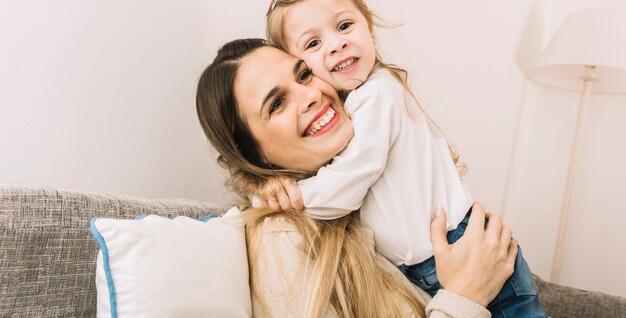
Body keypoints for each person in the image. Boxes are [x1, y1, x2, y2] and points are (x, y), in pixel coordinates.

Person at [259, 0, 547, 318]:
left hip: (459, 249)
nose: (337, 44)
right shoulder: (355, 106)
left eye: (345, 25)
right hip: (435, 262)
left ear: (371, 29)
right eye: (314, 43)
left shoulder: (378, 94)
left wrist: (294, 197)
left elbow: (350, 180)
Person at [196, 38, 518, 318]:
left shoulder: (372, 166)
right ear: (252, 156)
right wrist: (465, 296)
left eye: (305, 75)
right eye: (277, 104)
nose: (311, 95)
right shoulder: (281, 239)